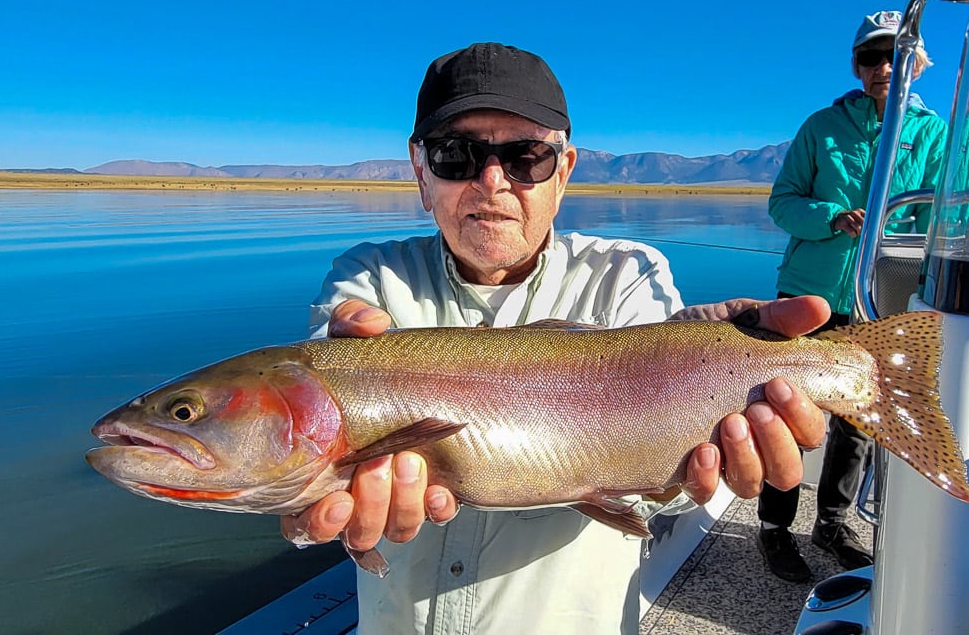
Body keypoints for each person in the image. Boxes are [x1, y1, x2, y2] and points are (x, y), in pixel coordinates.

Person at [279, 41, 831, 634]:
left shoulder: (626, 276)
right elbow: (307, 444)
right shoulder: (368, 278)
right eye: (455, 155)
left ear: (563, 173)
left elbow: (658, 474)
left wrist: (714, 378)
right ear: (420, 169)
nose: (492, 181)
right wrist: (301, 498)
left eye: (526, 158)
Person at [759, 11, 948, 582]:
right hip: (808, 296)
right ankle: (774, 527)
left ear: (918, 62)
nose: (884, 67)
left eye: (896, 54)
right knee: (784, 411)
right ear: (856, 66)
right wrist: (830, 217)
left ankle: (833, 521)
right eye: (872, 57)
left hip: (882, 298)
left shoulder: (937, 134)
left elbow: (951, 211)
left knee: (860, 419)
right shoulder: (821, 127)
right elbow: (782, 203)